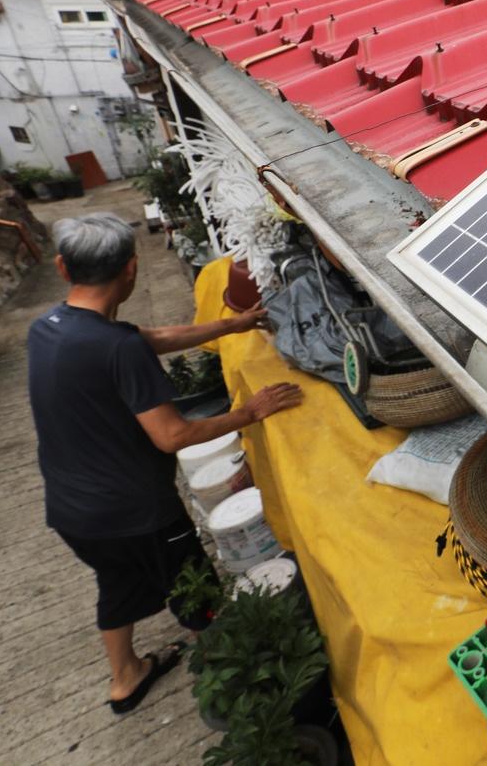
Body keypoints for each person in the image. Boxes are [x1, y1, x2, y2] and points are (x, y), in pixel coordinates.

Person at [27, 213, 303, 714]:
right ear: (132, 271)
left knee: (116, 584)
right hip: (136, 513)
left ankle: (125, 678)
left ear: (63, 268)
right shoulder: (119, 348)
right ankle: (245, 688)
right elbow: (171, 435)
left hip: (73, 512)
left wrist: (233, 323)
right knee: (197, 596)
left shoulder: (48, 328)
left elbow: (148, 338)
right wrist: (250, 412)